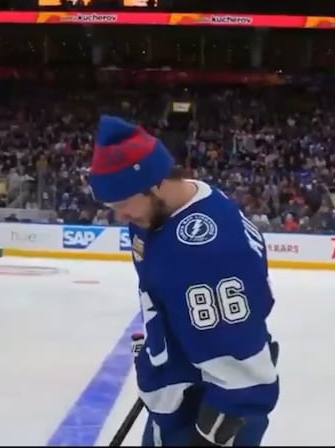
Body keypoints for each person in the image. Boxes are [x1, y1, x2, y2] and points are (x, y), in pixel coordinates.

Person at [88, 115, 280, 447]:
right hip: (176, 396)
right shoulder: (157, 213)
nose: (120, 216)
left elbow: (244, 376)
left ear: (155, 183)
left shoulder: (207, 250)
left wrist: (206, 439)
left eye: (123, 204)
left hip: (204, 412)